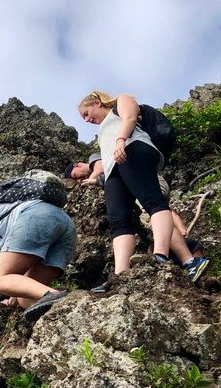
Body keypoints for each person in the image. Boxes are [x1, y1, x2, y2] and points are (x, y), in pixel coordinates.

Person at [77, 91, 208, 287]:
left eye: (87, 113)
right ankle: (120, 276)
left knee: (153, 201)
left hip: (133, 148)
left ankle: (160, 256)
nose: (87, 120)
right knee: (118, 221)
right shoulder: (104, 128)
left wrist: (121, 140)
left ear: (97, 102)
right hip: (114, 167)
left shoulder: (121, 101)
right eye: (84, 118)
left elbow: (129, 117)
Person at [65, 155, 208, 286]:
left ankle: (189, 261)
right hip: (138, 182)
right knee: (153, 223)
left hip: (142, 181)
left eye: (75, 176)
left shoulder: (95, 159)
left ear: (77, 165)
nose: (78, 181)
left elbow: (100, 166)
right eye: (76, 181)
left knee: (152, 220)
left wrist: (92, 180)